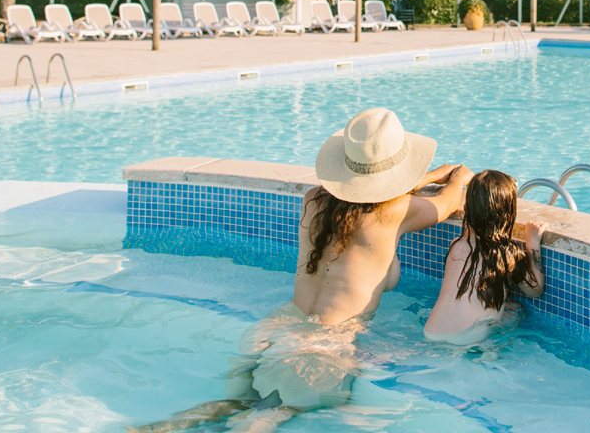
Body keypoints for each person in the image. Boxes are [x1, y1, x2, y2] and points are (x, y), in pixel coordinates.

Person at [130, 107, 471, 433]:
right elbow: (450, 200)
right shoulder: (397, 212)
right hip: (328, 339)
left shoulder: (314, 200)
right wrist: (457, 175)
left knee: (235, 403)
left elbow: (368, 195)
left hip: (279, 322)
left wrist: (426, 175)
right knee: (274, 413)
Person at [423, 170, 545, 346]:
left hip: (431, 331)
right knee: (517, 310)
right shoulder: (507, 255)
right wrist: (532, 242)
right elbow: (535, 290)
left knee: (504, 304)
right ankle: (489, 353)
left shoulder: (457, 245)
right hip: (468, 337)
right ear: (508, 214)